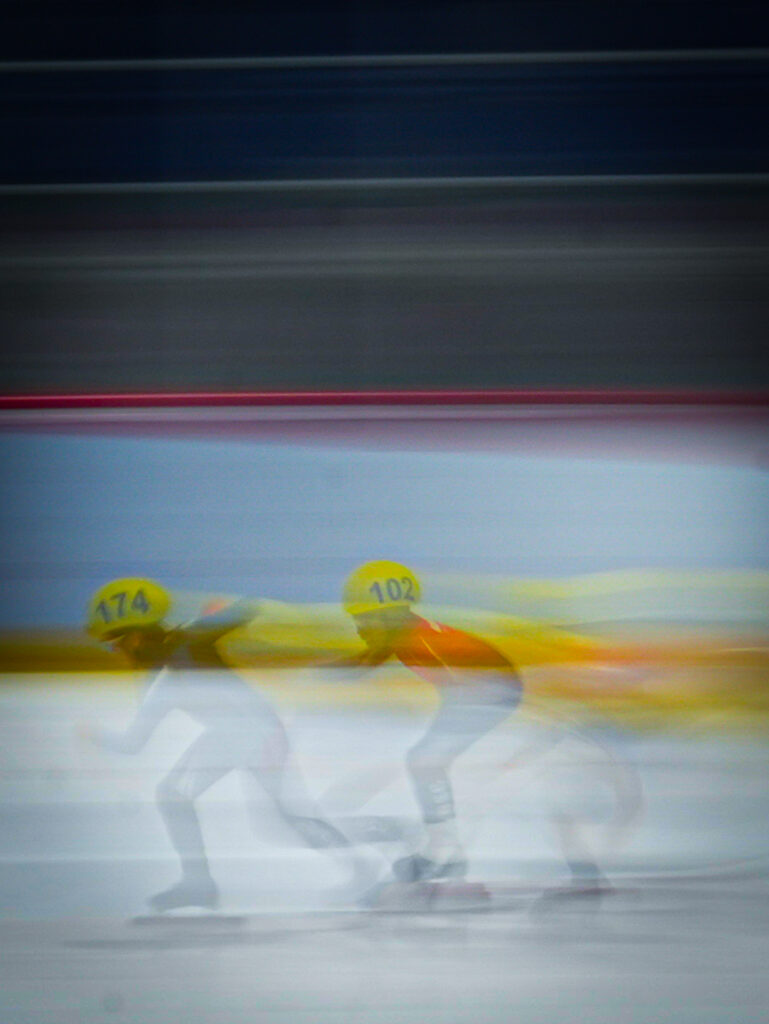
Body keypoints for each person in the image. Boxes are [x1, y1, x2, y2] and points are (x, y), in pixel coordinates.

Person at [81, 576, 363, 913]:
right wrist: (96, 737)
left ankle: (363, 867)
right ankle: (199, 885)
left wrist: (227, 610)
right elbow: (134, 742)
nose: (116, 652)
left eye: (117, 643)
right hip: (235, 735)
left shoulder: (189, 640)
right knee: (177, 794)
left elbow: (249, 608)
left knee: (285, 822)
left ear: (138, 635)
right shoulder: (160, 678)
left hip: (257, 733)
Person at [337, 560, 524, 885]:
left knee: (424, 760)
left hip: (493, 691)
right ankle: (444, 849)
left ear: (384, 617)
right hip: (490, 688)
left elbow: (368, 662)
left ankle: (445, 854)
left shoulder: (415, 638)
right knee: (424, 759)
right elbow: (368, 660)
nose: (358, 628)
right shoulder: (403, 632)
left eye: (361, 619)